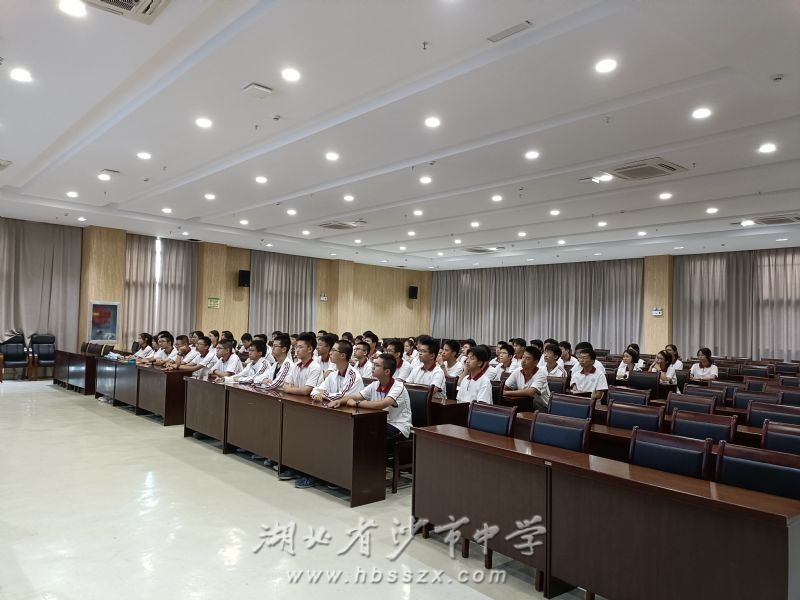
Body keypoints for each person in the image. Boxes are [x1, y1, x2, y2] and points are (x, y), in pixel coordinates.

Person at [328, 353, 412, 448]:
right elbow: (356, 396)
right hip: (380, 422)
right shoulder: (374, 385)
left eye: (377, 365)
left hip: (398, 426)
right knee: (354, 429)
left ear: (387, 371)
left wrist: (357, 404)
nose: (373, 367)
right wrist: (340, 401)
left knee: (366, 435)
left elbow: (381, 405)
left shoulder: (398, 386)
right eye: (373, 364)